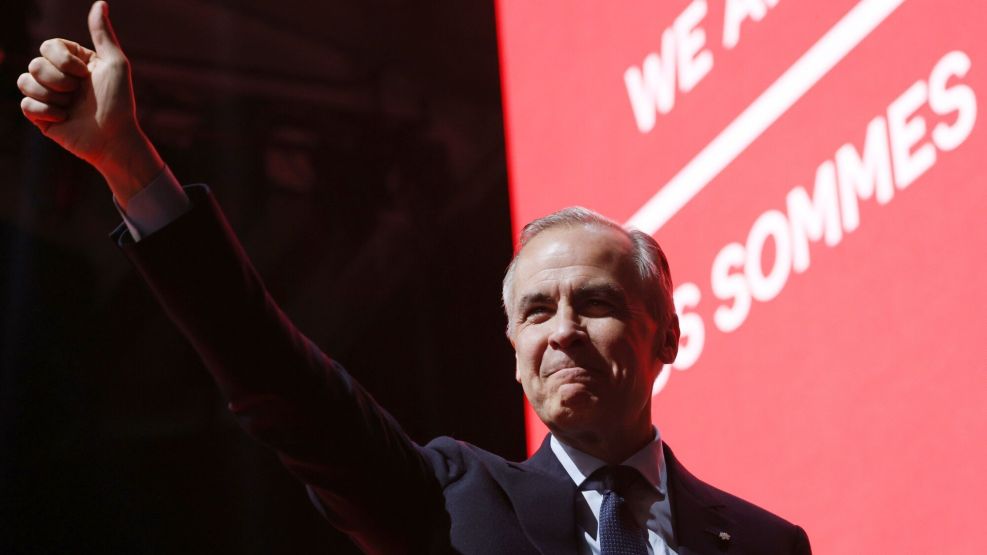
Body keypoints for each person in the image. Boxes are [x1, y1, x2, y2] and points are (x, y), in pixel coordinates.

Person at [18, 3, 811, 553]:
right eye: (535, 311)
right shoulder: (448, 498)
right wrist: (128, 165)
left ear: (665, 333)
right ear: (511, 352)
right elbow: (278, 378)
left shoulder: (767, 544)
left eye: (595, 301)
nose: (562, 328)